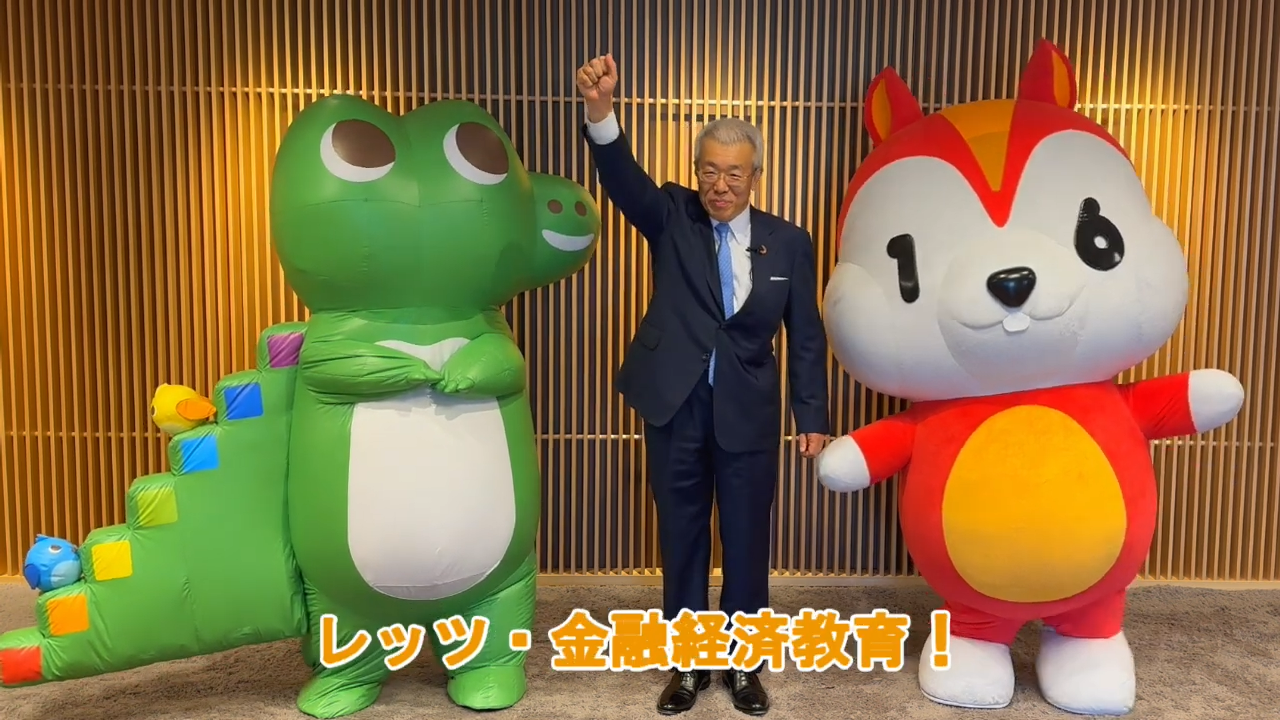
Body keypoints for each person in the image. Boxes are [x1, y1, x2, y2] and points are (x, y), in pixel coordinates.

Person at [575, 53, 830, 716]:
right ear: (696, 172)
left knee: (747, 541)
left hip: (748, 411)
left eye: (734, 173)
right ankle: (688, 664)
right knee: (682, 536)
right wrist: (601, 113)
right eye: (709, 171)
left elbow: (805, 334)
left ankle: (744, 665)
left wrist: (811, 415)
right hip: (676, 405)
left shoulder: (789, 242)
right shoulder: (671, 216)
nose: (720, 185)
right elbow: (621, 178)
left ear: (756, 176)